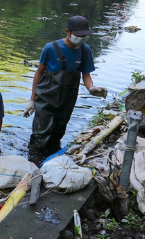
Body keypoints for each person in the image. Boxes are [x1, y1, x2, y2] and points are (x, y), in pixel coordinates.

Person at [24, 15, 108, 165]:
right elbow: (39, 72)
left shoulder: (84, 51)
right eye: (78, 35)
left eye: (84, 35)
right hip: (46, 97)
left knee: (58, 131)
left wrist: (91, 88)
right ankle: (33, 161)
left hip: (67, 99)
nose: (81, 38)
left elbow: (86, 74)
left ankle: (52, 158)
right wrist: (32, 99)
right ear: (67, 32)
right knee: (41, 132)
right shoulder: (50, 48)